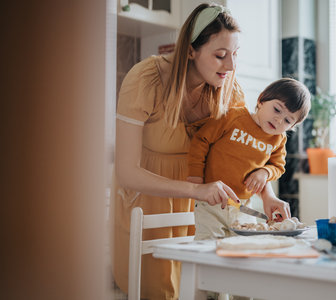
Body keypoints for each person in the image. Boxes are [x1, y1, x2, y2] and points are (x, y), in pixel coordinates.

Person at [112, 3, 291, 299]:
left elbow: (244, 152)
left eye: (235, 55)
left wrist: (267, 194)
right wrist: (197, 190)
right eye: (220, 56)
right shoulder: (146, 80)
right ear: (191, 50)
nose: (230, 66)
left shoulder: (229, 89)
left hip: (206, 206)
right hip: (148, 202)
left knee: (202, 288)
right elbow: (126, 172)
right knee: (156, 290)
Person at [187, 78, 311, 239]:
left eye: (287, 120)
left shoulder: (278, 140)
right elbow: (201, 140)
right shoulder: (233, 116)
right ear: (261, 101)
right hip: (211, 200)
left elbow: (278, 166)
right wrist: (195, 177)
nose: (279, 120)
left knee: (245, 248)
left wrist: (264, 172)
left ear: (292, 127)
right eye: (277, 110)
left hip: (242, 205)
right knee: (207, 246)